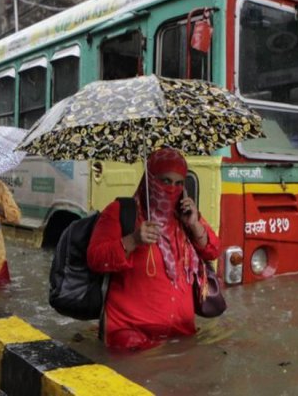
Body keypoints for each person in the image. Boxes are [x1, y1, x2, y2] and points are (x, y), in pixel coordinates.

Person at [87, 148, 220, 351]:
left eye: (179, 183)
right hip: (131, 337)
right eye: (165, 181)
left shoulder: (184, 217)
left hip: (181, 335)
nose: (171, 188)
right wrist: (133, 240)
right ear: (150, 180)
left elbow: (213, 251)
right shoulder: (121, 212)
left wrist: (195, 224)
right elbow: (96, 259)